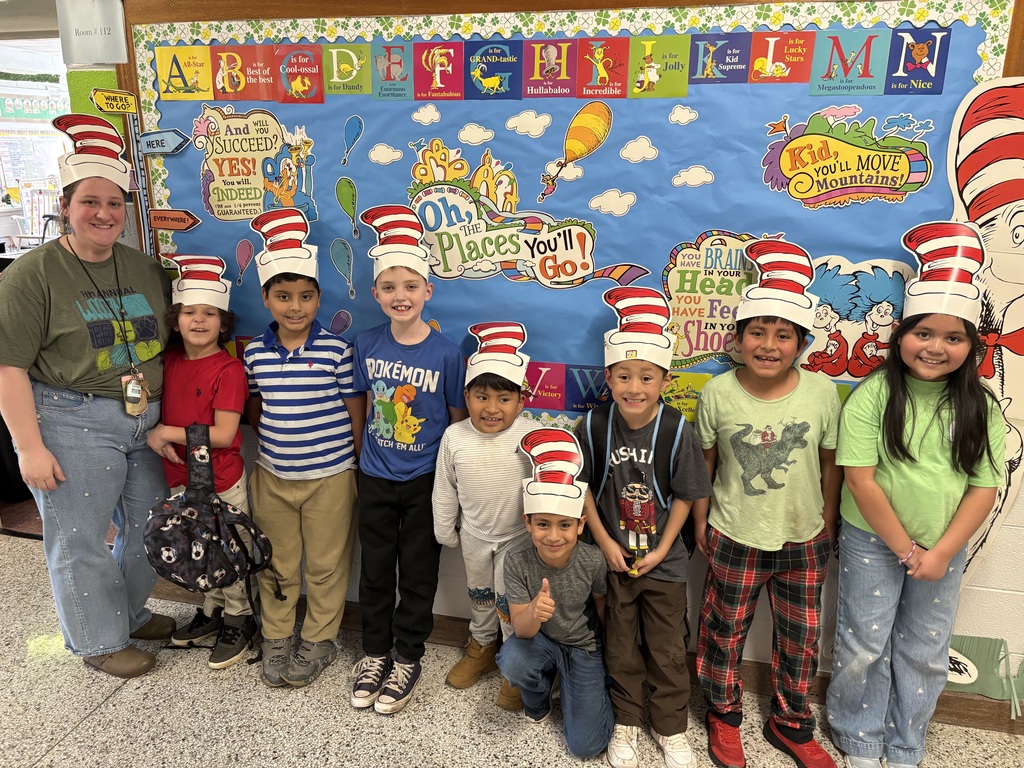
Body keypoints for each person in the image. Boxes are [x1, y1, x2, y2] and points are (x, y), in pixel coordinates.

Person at [0, 114, 174, 678]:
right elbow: (8, 367)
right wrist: (28, 447)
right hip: (72, 419)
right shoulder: (33, 275)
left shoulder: (146, 268)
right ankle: (98, 640)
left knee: (151, 524)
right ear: (65, 204)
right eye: (90, 202)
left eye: (115, 203)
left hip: (144, 419)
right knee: (79, 536)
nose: (104, 214)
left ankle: (124, 611)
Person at [828, 222, 1005, 768]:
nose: (936, 347)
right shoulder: (872, 395)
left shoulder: (983, 407)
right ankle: (858, 736)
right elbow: (860, 479)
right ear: (900, 334)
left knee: (925, 651)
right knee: (863, 644)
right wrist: (907, 551)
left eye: (954, 338)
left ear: (972, 347)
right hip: (873, 540)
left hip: (943, 547)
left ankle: (907, 742)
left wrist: (943, 552)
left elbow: (983, 487)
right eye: (923, 333)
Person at [694, 239, 841, 768]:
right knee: (722, 628)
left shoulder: (823, 394)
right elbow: (704, 466)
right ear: (738, 339)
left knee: (801, 637)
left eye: (784, 335)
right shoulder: (718, 394)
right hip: (733, 530)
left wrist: (828, 522)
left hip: (804, 535)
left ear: (801, 343)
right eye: (758, 332)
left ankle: (792, 720)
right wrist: (700, 525)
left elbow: (831, 464)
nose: (769, 344)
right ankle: (723, 713)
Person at [576, 286, 712, 768]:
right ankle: (628, 724)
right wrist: (607, 541)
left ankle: (672, 728)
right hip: (612, 558)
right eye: (624, 376)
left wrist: (662, 549)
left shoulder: (676, 429)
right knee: (620, 643)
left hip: (665, 561)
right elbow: (585, 489)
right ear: (608, 377)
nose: (635, 387)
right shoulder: (593, 426)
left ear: (664, 379)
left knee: (668, 647)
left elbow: (685, 496)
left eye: (646, 377)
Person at [350, 204, 467, 715]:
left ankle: (408, 656)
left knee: (418, 572)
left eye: (411, 286)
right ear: (376, 294)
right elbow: (359, 400)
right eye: (390, 287)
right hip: (375, 475)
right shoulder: (365, 342)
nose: (401, 295)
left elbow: (458, 421)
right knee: (375, 571)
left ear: (427, 292)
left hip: (425, 481)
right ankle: (375, 653)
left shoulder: (445, 353)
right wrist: (360, 455)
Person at [243, 207, 364, 688]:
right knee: (277, 562)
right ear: (267, 299)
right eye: (283, 296)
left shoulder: (336, 349)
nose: (296, 307)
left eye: (306, 297)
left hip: (331, 476)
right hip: (272, 476)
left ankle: (319, 638)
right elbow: (255, 408)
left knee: (326, 564)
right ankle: (275, 634)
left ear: (318, 298)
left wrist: (354, 464)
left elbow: (357, 409)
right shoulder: (254, 352)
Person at [146, 254, 258, 669]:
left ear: (223, 323)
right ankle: (212, 613)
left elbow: (226, 435)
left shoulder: (228, 369)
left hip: (222, 480)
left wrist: (166, 433)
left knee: (229, 550)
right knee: (200, 550)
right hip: (179, 478)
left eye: (209, 313)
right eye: (189, 312)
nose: (198, 321)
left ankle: (240, 618)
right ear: (175, 321)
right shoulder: (168, 362)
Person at [433, 321, 536, 710]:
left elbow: (546, 488)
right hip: (475, 535)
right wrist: (445, 528)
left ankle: (513, 664)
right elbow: (445, 486)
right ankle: (480, 647)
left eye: (504, 399)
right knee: (479, 597)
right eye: (482, 397)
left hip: (518, 540)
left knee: (512, 604)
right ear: (467, 396)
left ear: (521, 401)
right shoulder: (455, 436)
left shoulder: (532, 437)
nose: (492, 408)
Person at [497, 428, 614, 760]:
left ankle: (582, 687)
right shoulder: (518, 561)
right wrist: (534, 611)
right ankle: (538, 700)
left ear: (581, 524)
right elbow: (520, 629)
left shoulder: (592, 560)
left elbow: (603, 608)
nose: (553, 536)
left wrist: (609, 661)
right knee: (513, 658)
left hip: (585, 649)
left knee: (586, 746)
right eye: (543, 524)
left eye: (565, 525)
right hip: (541, 642)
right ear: (528, 522)